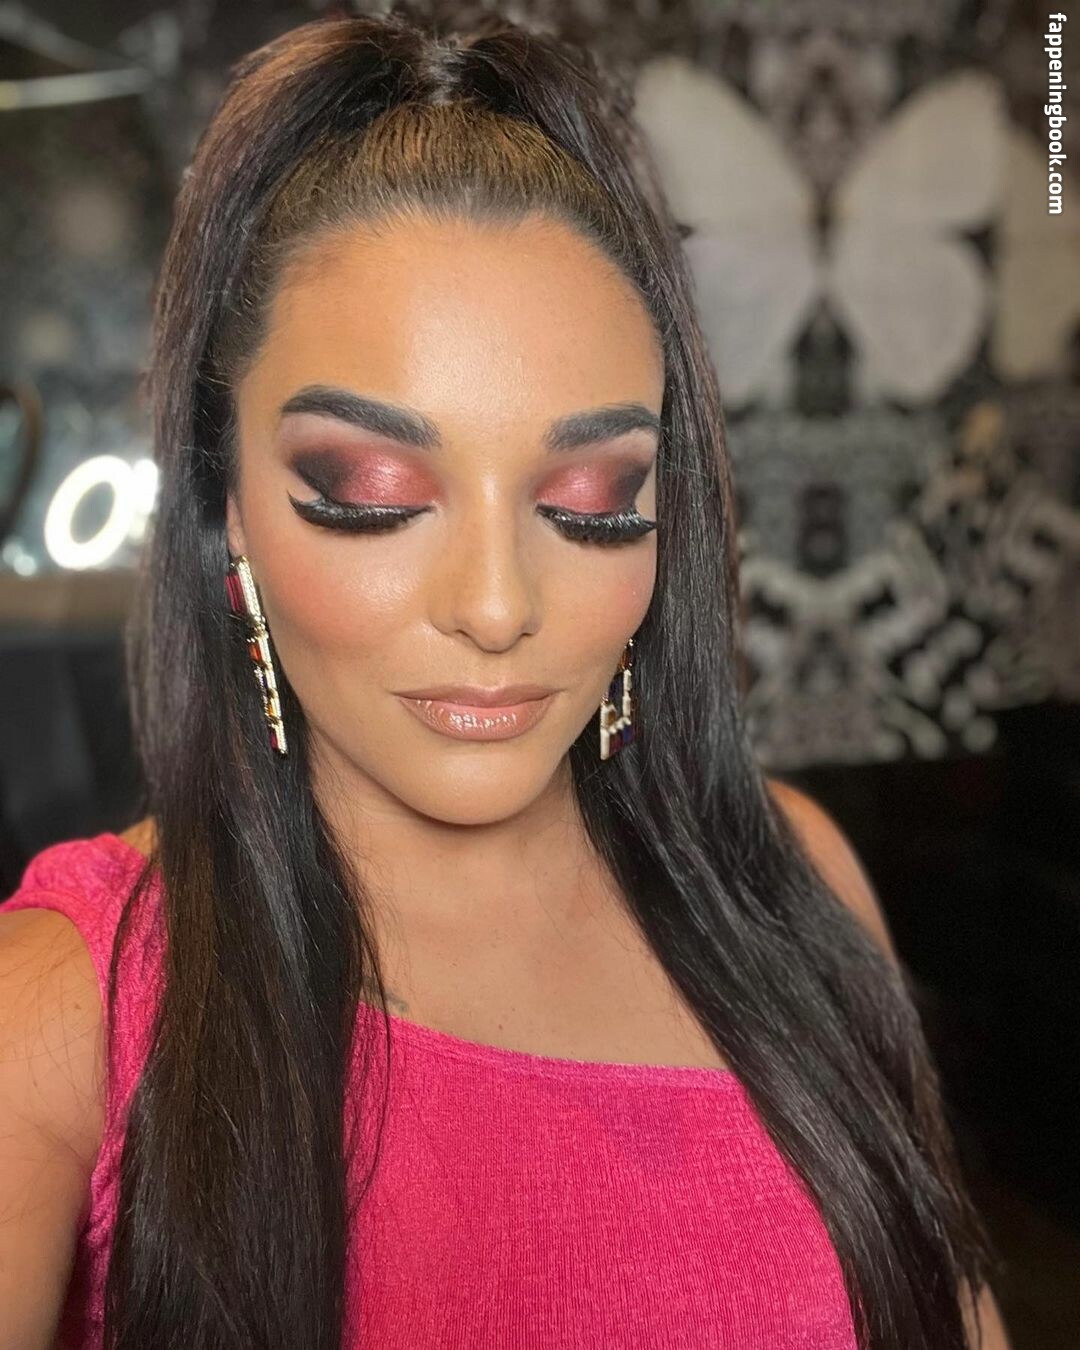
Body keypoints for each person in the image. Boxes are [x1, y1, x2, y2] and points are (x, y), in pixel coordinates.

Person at [0, 8, 1012, 1349]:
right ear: (228, 501)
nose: (495, 605)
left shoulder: (788, 880)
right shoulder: (62, 1016)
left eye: (589, 501)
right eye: (371, 491)